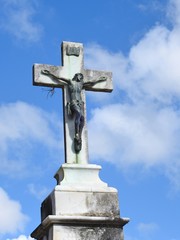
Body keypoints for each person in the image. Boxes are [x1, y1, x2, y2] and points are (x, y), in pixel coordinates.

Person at [41, 70, 106, 153]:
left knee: (82, 119)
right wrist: (50, 73)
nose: (81, 78)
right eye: (80, 76)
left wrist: (99, 79)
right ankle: (76, 133)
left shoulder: (81, 84)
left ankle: (79, 134)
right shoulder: (70, 82)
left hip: (80, 103)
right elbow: (59, 78)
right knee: (78, 115)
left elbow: (91, 82)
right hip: (73, 103)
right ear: (77, 76)